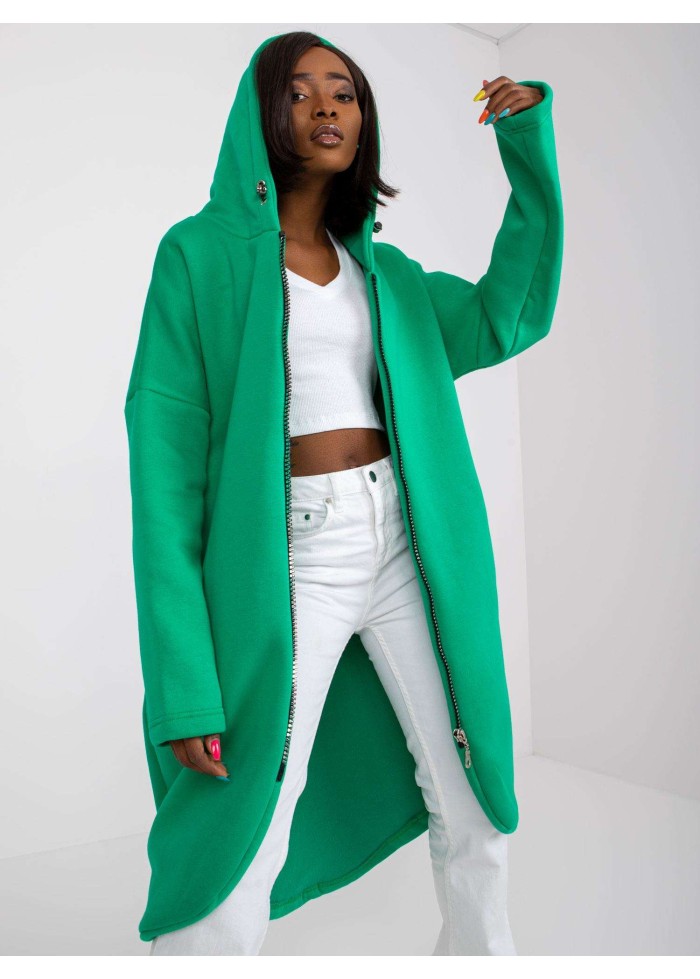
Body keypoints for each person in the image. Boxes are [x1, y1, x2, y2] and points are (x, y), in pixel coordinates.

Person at [124, 31, 563, 955]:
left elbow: (506, 314)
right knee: (248, 809)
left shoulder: (384, 274)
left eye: (345, 92)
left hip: (407, 543)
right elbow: (163, 477)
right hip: (290, 557)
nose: (326, 105)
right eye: (299, 91)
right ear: (259, 113)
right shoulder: (197, 257)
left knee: (474, 793)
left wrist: (526, 151)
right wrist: (183, 691)